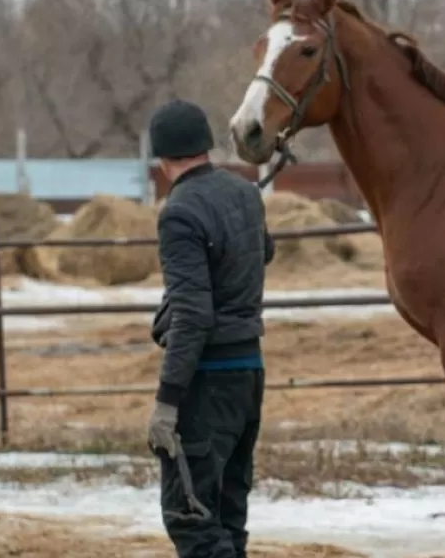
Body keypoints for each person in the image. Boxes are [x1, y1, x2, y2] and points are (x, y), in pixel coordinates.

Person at [146, 98, 275, 558]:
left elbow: (193, 316)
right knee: (227, 518)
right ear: (205, 145)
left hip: (208, 382)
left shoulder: (178, 212)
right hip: (249, 377)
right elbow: (264, 253)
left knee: (193, 521)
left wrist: (167, 400)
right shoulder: (245, 192)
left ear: (161, 159)